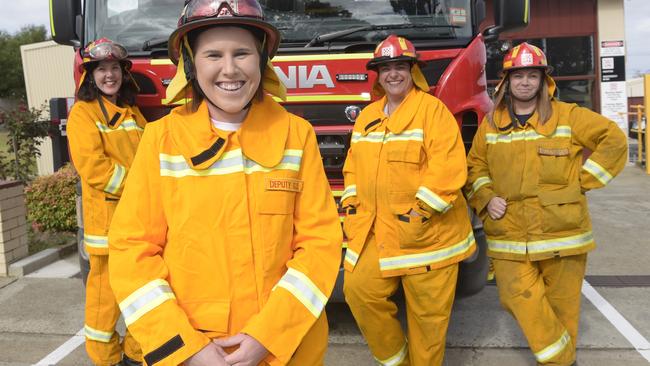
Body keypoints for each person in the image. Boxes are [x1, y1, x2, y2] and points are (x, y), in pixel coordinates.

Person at [107, 0, 342, 365]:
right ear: (191, 64)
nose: (229, 69)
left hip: (285, 352)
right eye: (213, 54)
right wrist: (187, 349)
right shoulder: (160, 139)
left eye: (242, 53)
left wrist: (268, 336)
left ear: (262, 60)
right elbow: (131, 253)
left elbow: (320, 246)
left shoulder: (298, 136)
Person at [465, 42, 627, 365]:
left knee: (563, 313)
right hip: (509, 237)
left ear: (543, 81)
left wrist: (584, 180)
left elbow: (615, 140)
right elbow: (475, 167)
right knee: (516, 298)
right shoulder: (491, 124)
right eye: (518, 75)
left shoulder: (568, 116)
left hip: (562, 238)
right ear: (507, 81)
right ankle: (565, 361)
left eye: (532, 75)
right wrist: (486, 197)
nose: (525, 82)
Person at [342, 34, 476, 366]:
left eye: (400, 66)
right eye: (385, 68)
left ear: (412, 71)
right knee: (359, 292)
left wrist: (420, 212)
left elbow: (449, 166)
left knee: (428, 325)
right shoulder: (367, 117)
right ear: (378, 74)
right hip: (376, 231)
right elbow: (352, 168)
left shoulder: (433, 112)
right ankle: (397, 361)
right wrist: (350, 203)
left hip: (428, 236)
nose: (393, 74)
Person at [67, 38, 146, 366]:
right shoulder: (83, 115)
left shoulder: (132, 112)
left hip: (140, 227)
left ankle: (134, 355)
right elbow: (95, 168)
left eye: (115, 68)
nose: (109, 75)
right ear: (89, 76)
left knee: (144, 296)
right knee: (104, 306)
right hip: (108, 233)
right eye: (102, 69)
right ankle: (105, 360)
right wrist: (142, 187)